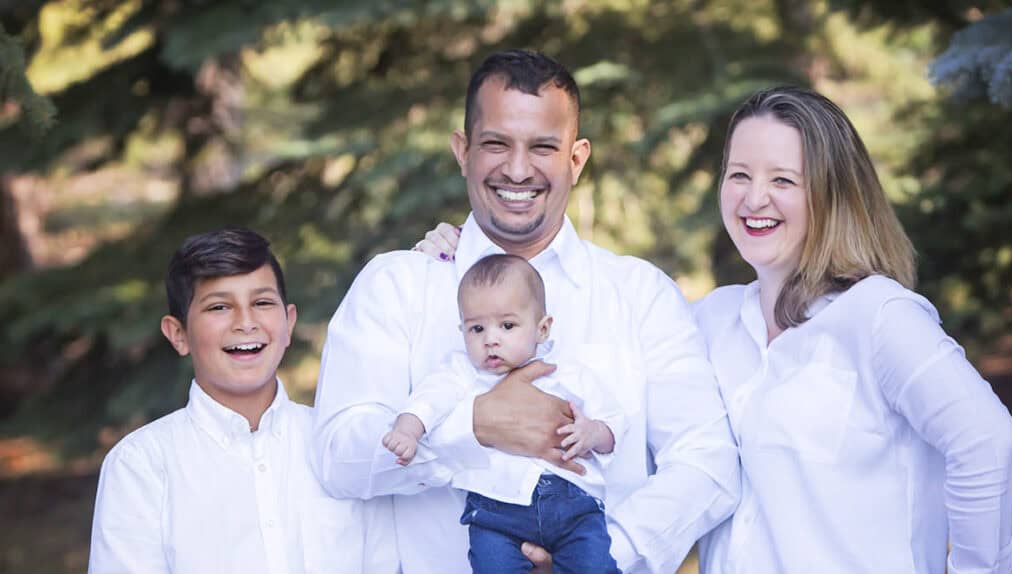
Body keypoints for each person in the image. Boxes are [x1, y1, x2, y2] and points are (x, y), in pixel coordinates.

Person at [416, 86, 1012, 573]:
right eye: (739, 175)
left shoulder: (879, 316)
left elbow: (987, 445)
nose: (755, 198)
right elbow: (652, 442)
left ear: (833, 192)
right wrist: (473, 253)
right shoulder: (709, 320)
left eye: (784, 179)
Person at [312, 49, 739, 574]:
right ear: (462, 150)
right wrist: (471, 426)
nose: (517, 169)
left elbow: (707, 462)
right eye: (496, 144)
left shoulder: (640, 296)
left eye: (543, 147)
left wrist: (598, 560)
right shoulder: (398, 285)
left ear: (576, 159)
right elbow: (339, 456)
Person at [88, 227, 396, 574]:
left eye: (262, 303)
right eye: (219, 306)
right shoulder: (141, 466)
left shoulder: (340, 444)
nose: (246, 323)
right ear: (179, 334)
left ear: (289, 322)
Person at [383, 253, 624, 572]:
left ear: (542, 328)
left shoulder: (567, 373)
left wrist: (592, 432)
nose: (491, 340)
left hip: (574, 508)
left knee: (595, 566)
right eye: (477, 328)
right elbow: (427, 402)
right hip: (496, 512)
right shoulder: (461, 373)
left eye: (507, 325)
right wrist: (407, 431)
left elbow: (614, 427)